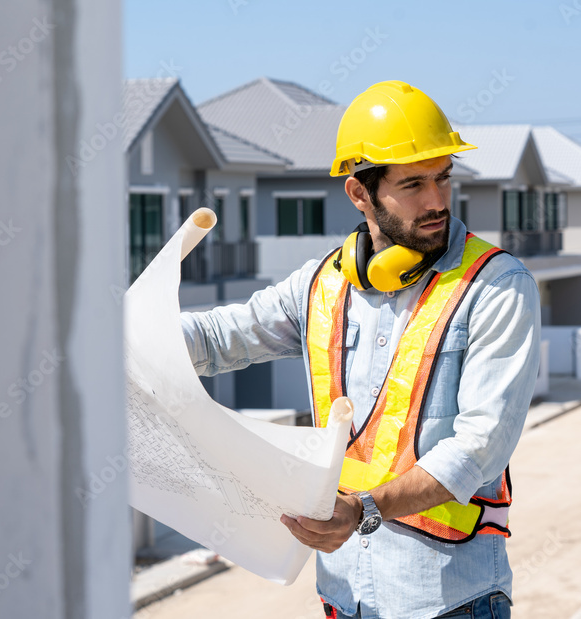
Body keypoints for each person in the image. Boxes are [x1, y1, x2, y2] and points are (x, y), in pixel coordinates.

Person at [181, 80, 540, 619]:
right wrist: (105, 333)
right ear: (359, 193)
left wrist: (363, 511)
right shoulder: (322, 285)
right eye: (414, 184)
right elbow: (212, 340)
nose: (437, 200)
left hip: (450, 602)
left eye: (444, 178)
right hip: (343, 599)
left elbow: (480, 448)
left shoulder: (496, 286)